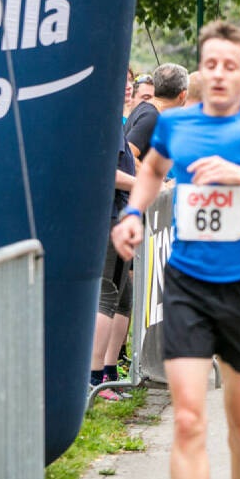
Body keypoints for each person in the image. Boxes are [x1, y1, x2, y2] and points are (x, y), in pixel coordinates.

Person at [111, 20, 240, 479]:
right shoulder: (177, 124)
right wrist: (132, 214)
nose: (219, 73)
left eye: (230, 65)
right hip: (187, 286)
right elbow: (151, 170)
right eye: (211, 65)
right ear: (201, 71)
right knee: (186, 420)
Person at [91, 75, 138, 401]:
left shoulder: (116, 120)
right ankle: (94, 380)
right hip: (109, 217)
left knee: (124, 297)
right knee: (107, 295)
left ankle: (108, 373)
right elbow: (105, 170)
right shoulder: (104, 119)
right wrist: (144, 187)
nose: (127, 85)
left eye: (130, 80)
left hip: (117, 215)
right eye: (120, 77)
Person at [123, 64, 189, 165]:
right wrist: (155, 179)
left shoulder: (146, 109)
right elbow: (128, 156)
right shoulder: (151, 116)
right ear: (182, 95)